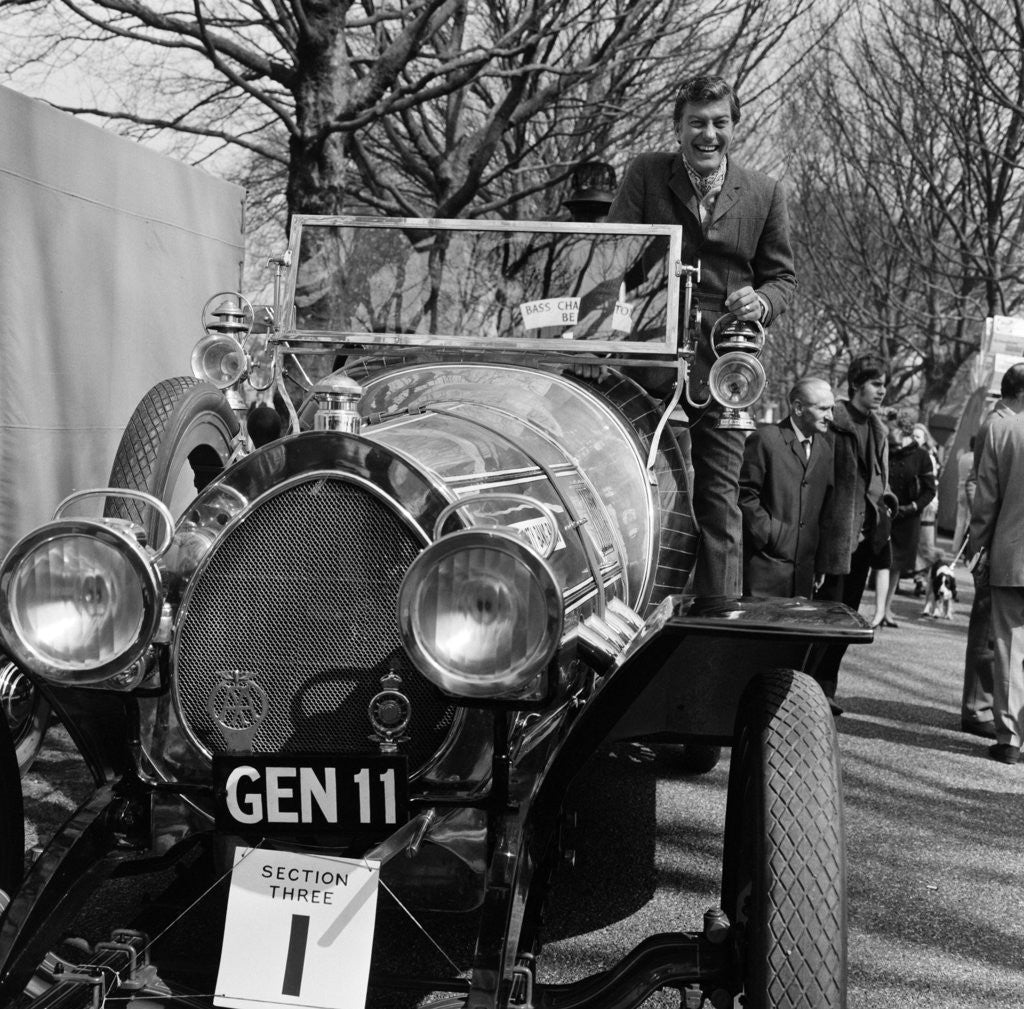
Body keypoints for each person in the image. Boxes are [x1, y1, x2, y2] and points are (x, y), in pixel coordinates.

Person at [605, 74, 796, 598]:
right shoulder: (646, 173)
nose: (708, 134)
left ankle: (719, 615)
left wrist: (760, 302)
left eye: (719, 123)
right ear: (677, 127)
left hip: (728, 365)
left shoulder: (765, 192)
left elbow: (782, 278)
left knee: (720, 498)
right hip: (649, 352)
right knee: (625, 481)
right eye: (696, 123)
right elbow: (612, 255)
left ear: (735, 126)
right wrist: (599, 336)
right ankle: (625, 608)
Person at [814, 354, 895, 713]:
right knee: (823, 617)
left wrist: (886, 501)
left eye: (884, 385)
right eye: (876, 383)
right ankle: (810, 687)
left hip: (865, 538)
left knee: (847, 618)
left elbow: (880, 478)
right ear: (857, 384)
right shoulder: (834, 421)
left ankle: (827, 688)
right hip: (833, 535)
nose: (882, 391)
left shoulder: (879, 428)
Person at [960, 363, 1024, 739]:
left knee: (1005, 644)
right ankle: (979, 706)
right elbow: (980, 488)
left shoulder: (1000, 426)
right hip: (1004, 548)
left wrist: (980, 544)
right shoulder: (998, 424)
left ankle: (1007, 729)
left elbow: (985, 492)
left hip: (1008, 550)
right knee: (991, 636)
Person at [739, 378, 835, 597]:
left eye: (832, 409)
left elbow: (826, 511)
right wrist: (771, 534)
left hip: (803, 572)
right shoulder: (765, 440)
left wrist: (820, 562)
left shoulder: (825, 450)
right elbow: (744, 495)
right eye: (823, 409)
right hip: (765, 568)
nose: (830, 416)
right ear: (798, 408)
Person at [870, 412, 936, 628]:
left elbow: (929, 490)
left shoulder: (922, 457)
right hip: (886, 514)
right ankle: (879, 611)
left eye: (895, 433)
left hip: (908, 518)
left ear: (905, 433)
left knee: (896, 565)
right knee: (882, 562)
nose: (891, 438)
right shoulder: (888, 449)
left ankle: (887, 608)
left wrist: (914, 507)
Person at [911, 422, 941, 593]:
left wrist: (933, 503)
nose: (915, 439)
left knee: (925, 542)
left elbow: (933, 484)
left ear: (925, 439)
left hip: (927, 505)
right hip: (914, 504)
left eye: (918, 437)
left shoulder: (929, 457)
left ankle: (921, 579)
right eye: (913, 436)